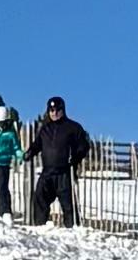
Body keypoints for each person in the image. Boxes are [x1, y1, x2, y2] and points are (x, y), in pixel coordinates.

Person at [25, 95, 90, 228]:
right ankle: (40, 227)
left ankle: (73, 228)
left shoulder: (73, 128)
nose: (54, 113)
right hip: (48, 172)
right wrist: (30, 152)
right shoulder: (45, 129)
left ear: (63, 110)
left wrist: (76, 157)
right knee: (40, 199)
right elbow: (37, 144)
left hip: (64, 173)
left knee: (68, 204)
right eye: (51, 110)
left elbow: (84, 146)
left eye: (57, 110)